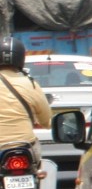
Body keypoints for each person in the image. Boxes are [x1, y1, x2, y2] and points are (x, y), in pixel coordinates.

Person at [0, 36, 53, 170]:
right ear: (21, 59)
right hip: (25, 146)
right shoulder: (31, 84)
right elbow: (46, 120)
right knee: (37, 173)